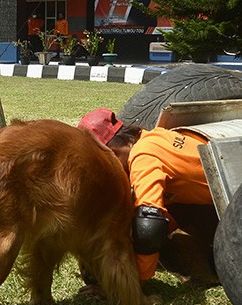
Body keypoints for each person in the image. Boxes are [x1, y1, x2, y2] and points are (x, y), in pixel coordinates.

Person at [77, 108, 220, 287]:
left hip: (231, 210)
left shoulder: (143, 156)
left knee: (151, 229)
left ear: (111, 154)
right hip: (220, 197)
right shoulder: (154, 136)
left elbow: (149, 228)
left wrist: (133, 281)